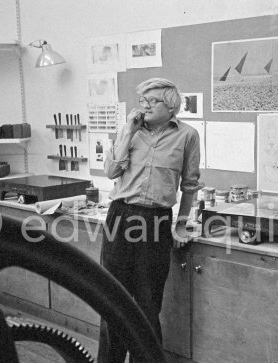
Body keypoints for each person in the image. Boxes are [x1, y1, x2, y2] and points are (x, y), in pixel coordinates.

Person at [98, 78, 203, 362]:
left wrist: (181, 223)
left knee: (147, 305)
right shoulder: (129, 130)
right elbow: (110, 172)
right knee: (111, 301)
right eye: (142, 100)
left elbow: (190, 185)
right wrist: (128, 132)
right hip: (120, 217)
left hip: (156, 222)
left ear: (171, 107)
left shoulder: (188, 136)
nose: (144, 106)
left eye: (151, 101)